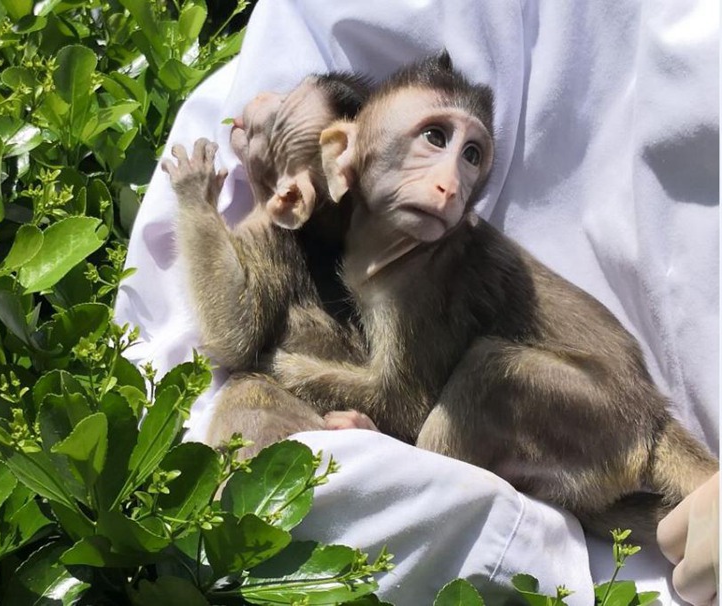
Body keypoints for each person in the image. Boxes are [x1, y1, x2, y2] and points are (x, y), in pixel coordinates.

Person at [115, 1, 719, 603]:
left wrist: (283, 370)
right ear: (342, 155)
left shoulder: (437, 259)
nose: (451, 182)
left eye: (473, 155)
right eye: (435, 137)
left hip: (599, 404)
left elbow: (405, 404)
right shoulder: (342, 241)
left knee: (462, 404)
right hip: (572, 433)